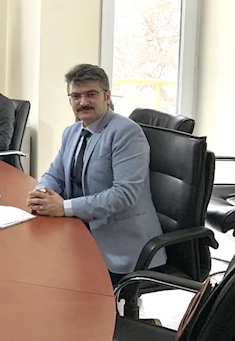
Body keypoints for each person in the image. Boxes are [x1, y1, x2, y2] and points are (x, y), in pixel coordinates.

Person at [26, 64, 166, 284]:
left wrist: (63, 207)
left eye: (91, 94)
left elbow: (124, 194)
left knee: (55, 280)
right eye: (76, 96)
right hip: (81, 229)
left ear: (107, 96)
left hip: (120, 243)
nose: (83, 102)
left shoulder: (126, 132)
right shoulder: (72, 132)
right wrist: (41, 194)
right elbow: (55, 174)